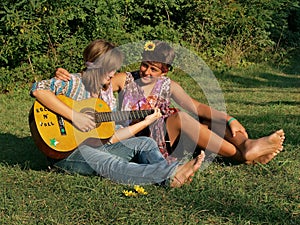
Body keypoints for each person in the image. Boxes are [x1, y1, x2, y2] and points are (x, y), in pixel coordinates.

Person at [55, 40, 285, 165]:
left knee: (207, 121)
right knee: (182, 118)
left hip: (168, 135)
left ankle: (248, 147)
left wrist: (231, 118)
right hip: (138, 136)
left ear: (164, 72)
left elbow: (199, 107)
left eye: (154, 69)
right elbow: (97, 77)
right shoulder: (124, 79)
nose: (145, 71)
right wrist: (63, 75)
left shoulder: (169, 86)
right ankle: (242, 154)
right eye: (145, 65)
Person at [31, 39, 205, 188]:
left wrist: (145, 122)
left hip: (98, 146)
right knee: (111, 164)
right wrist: (75, 116)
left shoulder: (105, 98)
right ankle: (170, 176)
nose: (114, 74)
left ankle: (166, 171)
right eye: (110, 69)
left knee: (145, 142)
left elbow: (112, 137)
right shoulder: (74, 82)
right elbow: (39, 90)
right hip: (67, 151)